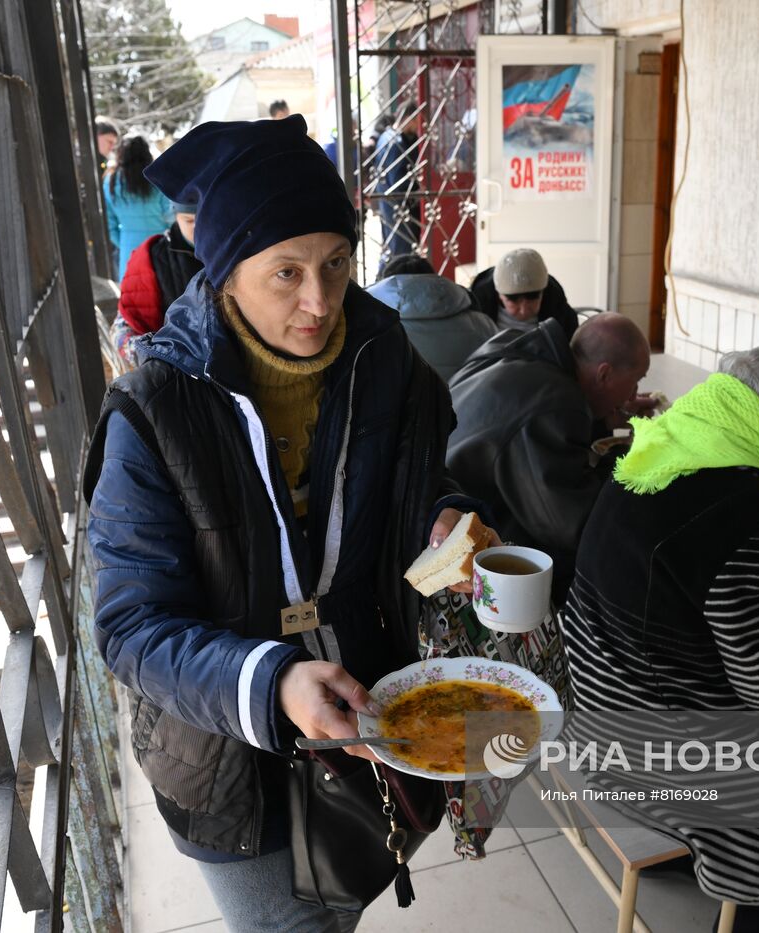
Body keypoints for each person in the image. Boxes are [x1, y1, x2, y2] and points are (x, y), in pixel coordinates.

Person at [83, 115, 496, 931]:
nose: (320, 300)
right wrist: (271, 681)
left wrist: (442, 519)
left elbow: (417, 485)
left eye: (338, 263)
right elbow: (130, 626)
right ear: (227, 269)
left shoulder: (388, 362)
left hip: (367, 710)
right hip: (224, 758)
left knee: (342, 903)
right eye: (287, 272)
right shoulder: (155, 412)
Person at [561, 347, 759, 932]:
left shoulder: (659, 452)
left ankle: (681, 858)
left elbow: (719, 493)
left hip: (600, 718)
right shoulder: (758, 528)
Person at [446, 312, 651, 599]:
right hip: (462, 541)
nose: (634, 395)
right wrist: (635, 454)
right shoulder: (554, 404)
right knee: (610, 548)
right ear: (604, 373)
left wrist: (604, 421)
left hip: (442, 498)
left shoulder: (518, 344)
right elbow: (572, 524)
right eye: (636, 382)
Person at [366, 255, 499, 382]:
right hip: (468, 404)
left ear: (384, 286)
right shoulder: (482, 323)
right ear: (435, 282)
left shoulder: (365, 327)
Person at [113, 201, 202, 362]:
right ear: (175, 217)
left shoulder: (239, 252)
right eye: (189, 220)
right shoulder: (150, 258)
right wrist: (157, 355)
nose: (198, 227)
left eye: (204, 218)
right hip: (153, 254)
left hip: (128, 241)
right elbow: (123, 328)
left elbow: (112, 227)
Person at [469, 247, 579, 337]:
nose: (524, 310)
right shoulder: (478, 306)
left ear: (543, 293)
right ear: (499, 295)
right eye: (513, 300)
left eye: (533, 298)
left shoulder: (558, 309)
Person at [104, 135, 172, 278]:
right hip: (160, 249)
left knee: (133, 296)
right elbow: (171, 216)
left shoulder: (110, 183)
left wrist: (123, 242)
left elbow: (110, 227)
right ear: (147, 153)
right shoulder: (157, 178)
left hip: (129, 251)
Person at [371, 113, 418, 270]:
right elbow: (399, 182)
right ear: (410, 119)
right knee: (400, 253)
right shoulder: (396, 142)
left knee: (390, 248)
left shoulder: (386, 136)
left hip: (387, 204)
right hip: (398, 207)